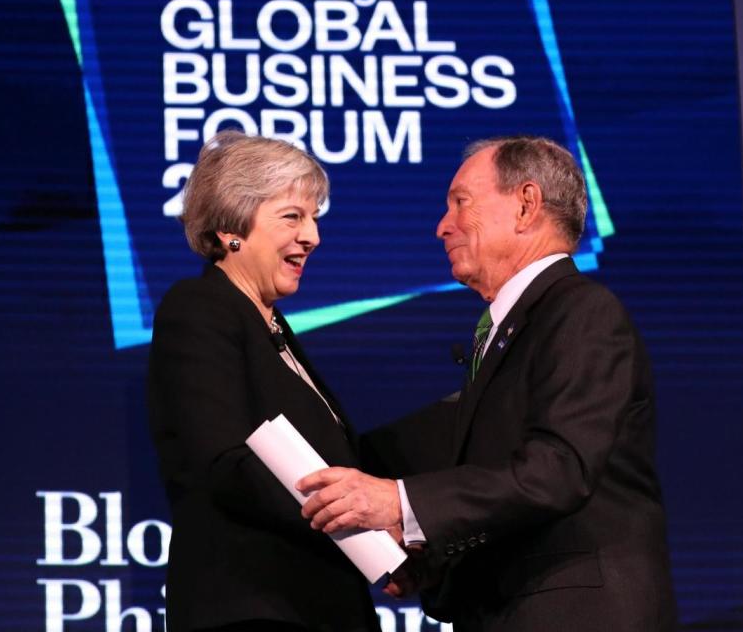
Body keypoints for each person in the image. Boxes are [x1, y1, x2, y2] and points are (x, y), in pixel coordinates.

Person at [297, 136, 677, 631]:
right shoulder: (512, 329)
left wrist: (400, 502)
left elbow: (558, 471)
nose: (442, 227)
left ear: (525, 205)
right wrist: (430, 562)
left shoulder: (583, 313)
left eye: (461, 203)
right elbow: (507, 497)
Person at [148, 131, 381, 632]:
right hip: (252, 607)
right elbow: (225, 464)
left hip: (314, 605)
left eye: (314, 217)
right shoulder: (199, 309)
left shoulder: (271, 326)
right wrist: (359, 526)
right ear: (233, 227)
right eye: (293, 216)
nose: (312, 236)